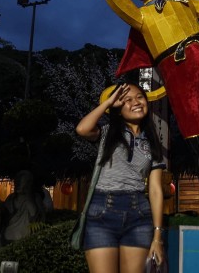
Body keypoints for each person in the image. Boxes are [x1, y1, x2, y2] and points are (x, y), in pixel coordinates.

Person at [76, 83, 166, 273]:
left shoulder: (152, 141)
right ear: (117, 108)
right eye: (127, 100)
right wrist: (108, 102)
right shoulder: (107, 132)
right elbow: (82, 129)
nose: (136, 102)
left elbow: (156, 190)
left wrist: (157, 236)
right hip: (102, 211)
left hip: (139, 214)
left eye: (140, 97)